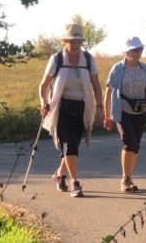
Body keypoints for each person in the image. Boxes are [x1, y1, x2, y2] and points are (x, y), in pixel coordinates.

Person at [39, 23, 103, 198]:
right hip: (62, 108)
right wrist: (44, 102)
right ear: (66, 41)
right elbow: (44, 85)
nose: (76, 45)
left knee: (72, 144)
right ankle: (75, 182)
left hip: (82, 107)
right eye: (73, 41)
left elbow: (96, 85)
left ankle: (60, 175)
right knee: (70, 144)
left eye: (79, 41)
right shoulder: (57, 59)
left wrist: (99, 107)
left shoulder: (88, 60)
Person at [103, 37, 146, 193]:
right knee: (129, 142)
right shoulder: (117, 68)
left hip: (141, 111)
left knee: (135, 145)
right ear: (127, 51)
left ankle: (129, 177)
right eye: (135, 50)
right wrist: (107, 116)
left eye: (140, 50)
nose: (138, 53)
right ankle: (125, 179)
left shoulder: (145, 68)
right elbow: (109, 92)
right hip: (122, 111)